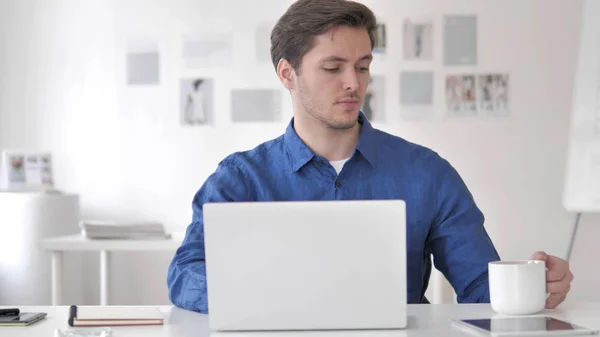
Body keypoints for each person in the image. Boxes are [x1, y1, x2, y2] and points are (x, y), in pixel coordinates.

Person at [167, 0, 573, 314]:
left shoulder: (427, 173)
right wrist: (265, 301)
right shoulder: (241, 178)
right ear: (288, 74)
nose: (353, 83)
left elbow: (479, 289)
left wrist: (536, 287)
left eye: (362, 67)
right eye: (333, 67)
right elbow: (185, 274)